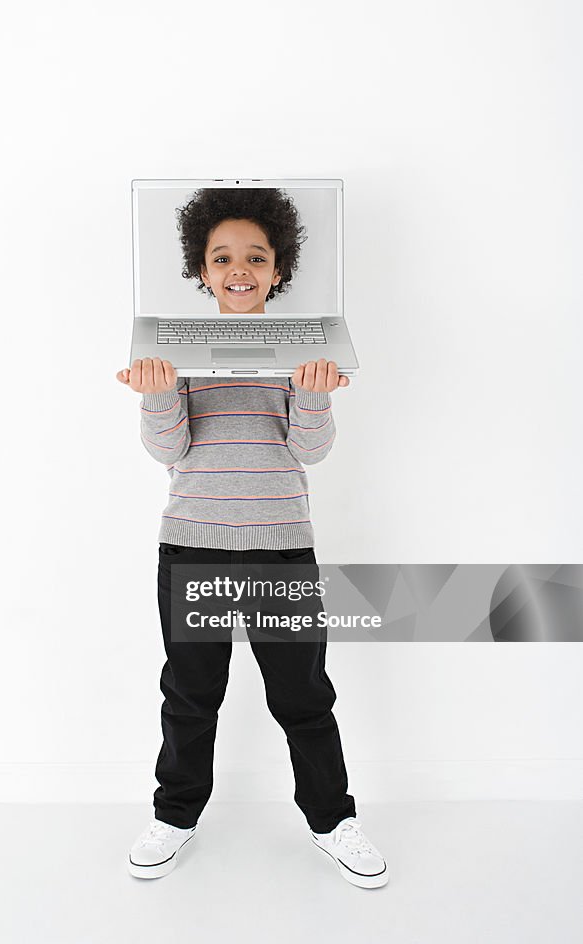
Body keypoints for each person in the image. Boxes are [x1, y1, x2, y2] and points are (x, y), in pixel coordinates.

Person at [116, 188, 388, 888]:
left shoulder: (306, 351)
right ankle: (174, 815)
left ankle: (332, 820)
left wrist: (316, 391)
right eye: (222, 257)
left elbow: (310, 448)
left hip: (280, 547)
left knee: (302, 697)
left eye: (256, 257)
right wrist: (156, 391)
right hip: (193, 545)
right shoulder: (169, 352)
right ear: (202, 271)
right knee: (189, 694)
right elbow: (170, 451)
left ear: (277, 270)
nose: (240, 268)